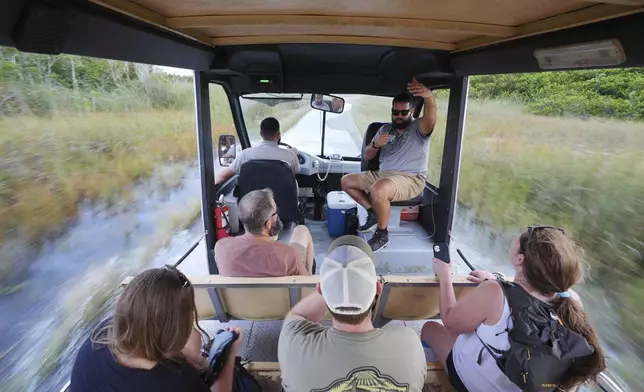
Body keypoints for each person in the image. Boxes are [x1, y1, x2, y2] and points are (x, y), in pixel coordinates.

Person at [422, 226, 606, 392]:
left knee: (430, 328)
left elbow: (449, 320)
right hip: (528, 383)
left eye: (514, 244)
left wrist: (445, 275)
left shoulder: (494, 291)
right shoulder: (571, 299)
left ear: (519, 259)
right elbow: (527, 294)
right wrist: (493, 280)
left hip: (473, 384)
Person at [278, 235, 426, 392]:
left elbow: (297, 315)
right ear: (378, 289)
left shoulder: (294, 346)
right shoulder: (409, 345)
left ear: (320, 290)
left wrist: (335, 285)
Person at [70, 265, 243, 392]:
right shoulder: (176, 381)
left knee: (194, 337)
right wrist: (228, 355)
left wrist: (192, 359)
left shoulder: (102, 332)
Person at [341, 78, 436, 251]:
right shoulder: (385, 130)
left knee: (378, 189)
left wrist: (428, 97)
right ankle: (372, 212)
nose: (399, 116)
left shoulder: (419, 128)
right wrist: (376, 144)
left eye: (403, 112)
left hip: (410, 178)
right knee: (346, 181)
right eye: (395, 112)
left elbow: (430, 117)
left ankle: (382, 235)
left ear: (412, 111)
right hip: (382, 175)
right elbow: (368, 155)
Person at [215, 188, 314, 277]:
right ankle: (310, 273)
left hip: (239, 297)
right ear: (268, 224)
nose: (277, 214)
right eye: (276, 212)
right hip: (281, 297)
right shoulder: (289, 255)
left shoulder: (221, 247)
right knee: (302, 230)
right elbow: (304, 287)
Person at [214, 117, 300, 185]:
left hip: (251, 206)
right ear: (278, 135)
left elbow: (222, 176)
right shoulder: (290, 156)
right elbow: (296, 171)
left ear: (261, 133)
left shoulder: (245, 155)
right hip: (284, 204)